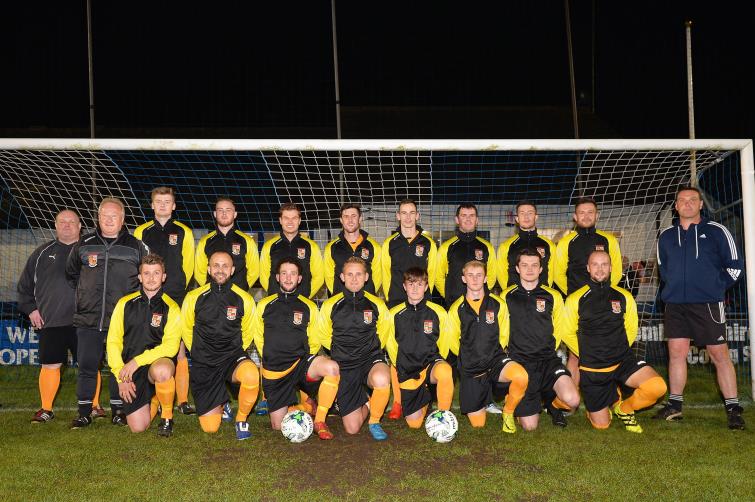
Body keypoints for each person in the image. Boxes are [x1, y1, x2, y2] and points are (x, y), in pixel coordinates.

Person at [654, 186, 744, 429]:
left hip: (707, 304)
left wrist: (714, 288)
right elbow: (664, 271)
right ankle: (674, 406)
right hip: (675, 305)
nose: (688, 203)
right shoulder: (666, 236)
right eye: (682, 200)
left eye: (693, 199)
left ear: (701, 204)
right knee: (676, 353)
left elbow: (735, 266)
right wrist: (674, 288)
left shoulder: (717, 231)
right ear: (676, 206)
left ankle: (734, 408)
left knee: (719, 355)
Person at [561, 250, 667, 433]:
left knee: (657, 386)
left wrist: (616, 348)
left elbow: (631, 328)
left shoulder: (624, 296)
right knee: (601, 425)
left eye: (604, 264)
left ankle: (624, 409)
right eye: (595, 264)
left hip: (622, 362)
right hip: (593, 369)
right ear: (588, 268)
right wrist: (588, 352)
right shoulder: (575, 299)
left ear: (611, 268)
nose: (600, 269)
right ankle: (608, 396)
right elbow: (567, 332)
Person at [66, 198, 149, 429]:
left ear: (122, 219)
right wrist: (86, 295)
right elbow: (71, 273)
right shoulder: (84, 244)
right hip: (88, 319)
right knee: (87, 366)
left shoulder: (135, 246)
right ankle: (84, 412)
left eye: (114, 216)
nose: (109, 219)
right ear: (98, 217)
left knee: (118, 367)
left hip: (121, 321)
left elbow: (147, 278)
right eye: (105, 215)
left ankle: (119, 411)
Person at [252, 258, 340, 440]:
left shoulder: (308, 306)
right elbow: (258, 336)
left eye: (293, 273)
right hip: (275, 371)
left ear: (299, 278)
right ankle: (307, 407)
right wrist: (270, 355)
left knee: (331, 368)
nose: (288, 277)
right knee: (279, 426)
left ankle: (320, 420)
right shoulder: (264, 305)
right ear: (277, 277)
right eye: (284, 273)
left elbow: (314, 339)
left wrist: (305, 358)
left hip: (300, 364)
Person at [181, 251, 260, 440]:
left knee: (251, 374)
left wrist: (235, 349)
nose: (220, 270)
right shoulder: (194, 297)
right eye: (216, 265)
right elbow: (186, 329)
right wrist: (200, 352)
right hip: (205, 362)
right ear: (208, 269)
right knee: (210, 428)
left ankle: (241, 420)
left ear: (232, 270)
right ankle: (222, 402)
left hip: (231, 357)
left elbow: (249, 331)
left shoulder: (244, 298)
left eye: (225, 266)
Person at [499, 249, 579, 430]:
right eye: (525, 265)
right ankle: (515, 395)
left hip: (547, 361)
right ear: (517, 269)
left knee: (572, 400)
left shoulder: (553, 296)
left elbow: (559, 328)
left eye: (534, 265)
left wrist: (547, 347)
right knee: (529, 427)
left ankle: (553, 404)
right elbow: (502, 329)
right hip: (521, 363)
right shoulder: (506, 296)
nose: (529, 269)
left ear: (541, 269)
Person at [134, 186, 195, 415]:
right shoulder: (141, 232)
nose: (162, 205)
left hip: (175, 297)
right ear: (151, 205)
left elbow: (188, 266)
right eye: (158, 201)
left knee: (178, 350)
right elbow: (137, 264)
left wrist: (176, 287)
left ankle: (182, 401)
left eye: (167, 201)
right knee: (149, 346)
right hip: (149, 297)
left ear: (173, 205)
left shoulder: (183, 232)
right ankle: (154, 399)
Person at [447, 261, 529, 433]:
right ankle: (483, 397)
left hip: (495, 361)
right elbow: (453, 342)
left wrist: (492, 353)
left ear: (485, 278)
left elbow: (504, 334)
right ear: (464, 279)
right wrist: (470, 356)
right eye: (470, 275)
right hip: (471, 367)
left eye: (479, 275)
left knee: (520, 376)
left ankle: (508, 412)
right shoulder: (456, 308)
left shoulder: (498, 304)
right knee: (478, 424)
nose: (475, 279)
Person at [315, 257, 392, 440]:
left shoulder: (377, 304)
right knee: (352, 428)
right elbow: (324, 335)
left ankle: (374, 422)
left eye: (359, 274)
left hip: (370, 361)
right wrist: (342, 352)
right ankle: (367, 401)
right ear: (342, 277)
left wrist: (369, 350)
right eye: (350, 274)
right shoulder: (330, 305)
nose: (354, 279)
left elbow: (384, 332)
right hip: (344, 364)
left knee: (381, 378)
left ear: (366, 277)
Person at [106, 254, 181, 436]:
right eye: (146, 273)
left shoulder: (171, 308)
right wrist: (120, 376)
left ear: (163, 277)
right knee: (138, 428)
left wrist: (137, 361)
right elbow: (113, 341)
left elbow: (171, 347)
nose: (151, 278)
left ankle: (167, 418)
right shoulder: (124, 304)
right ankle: (155, 398)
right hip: (129, 372)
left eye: (156, 273)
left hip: (155, 365)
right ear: (140, 277)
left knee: (162, 370)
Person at [18, 209, 81, 423]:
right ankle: (46, 409)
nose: (66, 225)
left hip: (85, 320)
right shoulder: (41, 253)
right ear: (55, 226)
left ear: (80, 226)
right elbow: (24, 286)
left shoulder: (91, 251)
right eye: (62, 221)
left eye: (71, 221)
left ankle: (94, 407)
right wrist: (31, 309)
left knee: (88, 364)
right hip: (51, 319)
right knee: (50, 364)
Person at [554, 197, 622, 387]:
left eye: (590, 212)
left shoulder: (608, 240)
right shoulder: (567, 242)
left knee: (608, 350)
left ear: (597, 215)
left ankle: (608, 395)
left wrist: (603, 292)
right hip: (578, 307)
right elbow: (558, 273)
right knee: (575, 355)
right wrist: (576, 296)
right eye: (582, 212)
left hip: (605, 303)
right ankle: (571, 400)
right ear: (575, 217)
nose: (586, 216)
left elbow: (616, 271)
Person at [381, 199, 437, 419]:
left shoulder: (428, 243)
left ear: (417, 216)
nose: (407, 217)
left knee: (425, 349)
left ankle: (425, 395)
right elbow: (385, 274)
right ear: (397, 216)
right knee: (397, 352)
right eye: (403, 213)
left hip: (422, 303)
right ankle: (398, 401)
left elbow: (431, 273)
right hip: (397, 303)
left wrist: (423, 298)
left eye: (411, 213)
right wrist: (392, 299)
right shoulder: (390, 243)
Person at [386, 267, 454, 430]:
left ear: (426, 286)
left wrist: (438, 361)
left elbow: (444, 341)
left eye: (419, 284)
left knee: (444, 371)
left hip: (431, 364)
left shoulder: (438, 312)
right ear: (404, 287)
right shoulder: (394, 314)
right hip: (408, 369)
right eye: (411, 284)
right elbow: (391, 344)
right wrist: (403, 365)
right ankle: (425, 397)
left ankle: (443, 418)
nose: (415, 288)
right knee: (414, 424)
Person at [436, 203, 496, 307]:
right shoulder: (446, 247)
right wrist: (449, 295)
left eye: (472, 215)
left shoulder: (487, 247)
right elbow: (438, 277)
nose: (468, 219)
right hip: (454, 303)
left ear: (477, 220)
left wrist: (481, 293)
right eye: (463, 215)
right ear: (457, 220)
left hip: (481, 303)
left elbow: (491, 275)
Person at [260, 203, 324, 298]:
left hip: (302, 302)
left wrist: (305, 296)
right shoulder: (269, 246)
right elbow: (264, 276)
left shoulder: (311, 246)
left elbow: (319, 276)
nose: (290, 222)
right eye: (286, 218)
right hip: (277, 302)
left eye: (294, 218)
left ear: (299, 220)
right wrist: (274, 295)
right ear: (280, 220)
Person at [195, 197, 259, 291]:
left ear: (235, 214)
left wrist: (242, 289)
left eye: (228, 210)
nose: (224, 213)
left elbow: (254, 271)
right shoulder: (204, 241)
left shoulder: (247, 241)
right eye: (220, 210)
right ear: (215, 214)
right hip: (212, 296)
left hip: (237, 296)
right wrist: (208, 289)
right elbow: (199, 271)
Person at [323, 203, 382, 295]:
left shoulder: (374, 246)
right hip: (341, 302)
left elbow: (377, 276)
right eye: (346, 216)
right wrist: (339, 294)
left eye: (353, 216)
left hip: (366, 302)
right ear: (341, 220)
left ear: (360, 219)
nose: (350, 220)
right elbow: (329, 277)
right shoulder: (331, 247)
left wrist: (368, 294)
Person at [497, 201, 556, 289]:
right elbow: (501, 274)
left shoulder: (549, 245)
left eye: (530, 213)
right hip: (514, 298)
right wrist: (509, 293)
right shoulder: (506, 246)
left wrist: (545, 291)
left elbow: (552, 273)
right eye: (522, 213)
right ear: (517, 218)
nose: (526, 216)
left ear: (536, 217)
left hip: (542, 297)